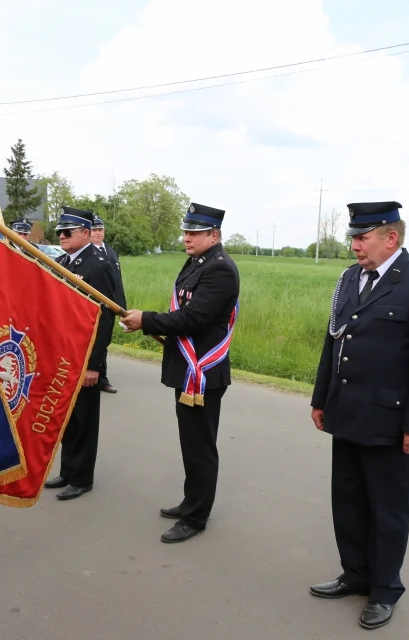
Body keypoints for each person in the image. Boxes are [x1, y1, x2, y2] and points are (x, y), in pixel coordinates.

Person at [307, 202, 409, 631]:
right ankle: (355, 574)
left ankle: (385, 589)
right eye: (353, 237)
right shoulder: (351, 278)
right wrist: (321, 398)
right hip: (347, 412)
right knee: (347, 500)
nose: (354, 246)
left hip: (390, 422)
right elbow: (333, 342)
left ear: (391, 238)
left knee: (387, 509)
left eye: (361, 237)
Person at [121, 203, 240, 543]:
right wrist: (150, 322)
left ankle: (196, 518)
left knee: (200, 446)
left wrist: (147, 320)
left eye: (194, 232)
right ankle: (191, 501)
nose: (186, 237)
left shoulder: (220, 269)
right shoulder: (198, 262)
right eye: (186, 231)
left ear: (213, 235)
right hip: (187, 368)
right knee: (190, 442)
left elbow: (194, 318)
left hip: (202, 373)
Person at [43, 207, 117, 501]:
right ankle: (68, 470)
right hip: (63, 353)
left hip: (84, 354)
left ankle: (83, 477)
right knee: (67, 416)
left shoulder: (99, 265)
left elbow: (105, 316)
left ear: (85, 234)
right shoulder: (62, 261)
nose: (61, 236)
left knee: (85, 418)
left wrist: (94, 364)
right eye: (59, 232)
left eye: (68, 232)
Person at [90, 215, 125, 394]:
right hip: (94, 305)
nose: (97, 233)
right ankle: (101, 379)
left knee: (105, 342)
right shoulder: (87, 253)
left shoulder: (111, 252)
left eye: (100, 230)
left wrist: (122, 308)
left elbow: (117, 282)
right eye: (94, 230)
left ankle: (99, 375)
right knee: (97, 343)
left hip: (111, 305)